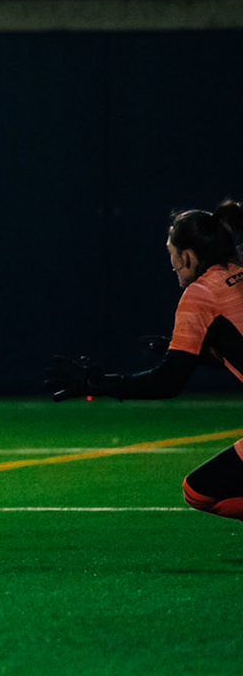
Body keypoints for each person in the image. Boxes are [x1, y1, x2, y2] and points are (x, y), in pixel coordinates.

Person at [46, 204, 243, 525]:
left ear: (188, 257)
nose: (172, 264)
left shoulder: (201, 293)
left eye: (172, 254)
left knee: (199, 491)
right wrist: (186, 351)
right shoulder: (238, 266)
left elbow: (168, 382)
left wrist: (96, 384)